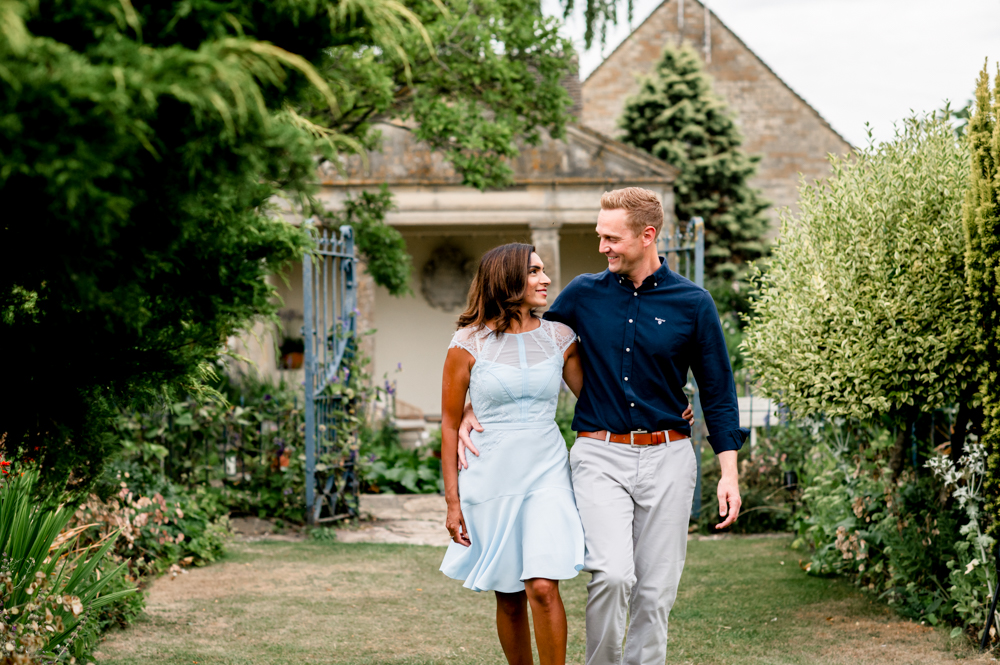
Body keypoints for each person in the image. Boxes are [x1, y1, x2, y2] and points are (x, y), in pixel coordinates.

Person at [458, 187, 747, 665]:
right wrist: (473, 403)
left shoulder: (693, 303)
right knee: (612, 576)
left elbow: (719, 391)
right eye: (600, 235)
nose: (602, 247)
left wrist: (729, 473)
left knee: (655, 592)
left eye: (611, 238)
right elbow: (521, 344)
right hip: (600, 453)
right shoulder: (582, 294)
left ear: (647, 235)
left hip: (669, 455)